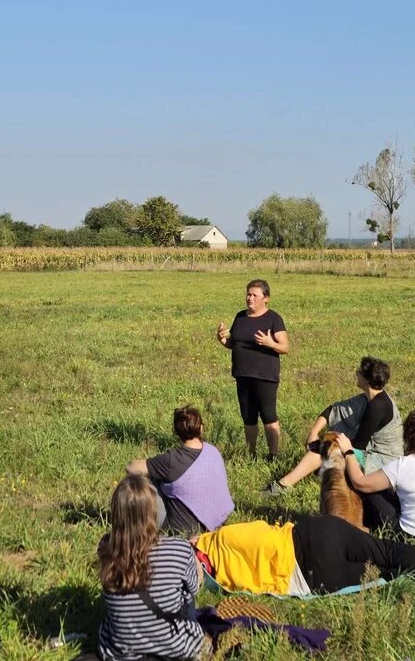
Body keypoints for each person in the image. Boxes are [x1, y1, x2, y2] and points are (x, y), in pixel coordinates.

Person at [195, 513, 415, 596]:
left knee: (384, 574)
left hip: (307, 573)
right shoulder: (214, 538)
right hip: (313, 531)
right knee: (387, 550)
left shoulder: (206, 575)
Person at [96, 474, 204, 661]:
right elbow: (194, 588)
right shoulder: (179, 548)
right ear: (154, 512)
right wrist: (196, 562)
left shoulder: (107, 550)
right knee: (187, 591)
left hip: (120, 653)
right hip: (178, 649)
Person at [264, 356, 402, 495]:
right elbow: (334, 409)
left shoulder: (377, 407)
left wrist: (327, 443)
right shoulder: (368, 398)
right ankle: (288, 482)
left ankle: (283, 485)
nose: (356, 374)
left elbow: (359, 444)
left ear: (366, 379)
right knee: (325, 446)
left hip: (382, 459)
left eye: (359, 372)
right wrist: (314, 432)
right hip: (368, 450)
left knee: (327, 448)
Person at [336, 410, 415, 540]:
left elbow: (360, 482)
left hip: (413, 535)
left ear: (407, 436)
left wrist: (348, 452)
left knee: (372, 491)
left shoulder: (403, 465)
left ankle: (361, 527)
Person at [126, 405, 234, 534]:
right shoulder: (213, 451)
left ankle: (137, 527)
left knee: (144, 480)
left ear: (176, 431)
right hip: (219, 522)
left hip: (184, 531)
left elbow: (131, 468)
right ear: (201, 428)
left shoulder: (171, 460)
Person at [216, 279, 289, 460]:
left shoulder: (274, 319)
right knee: (248, 417)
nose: (250, 298)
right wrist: (222, 339)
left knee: (268, 415)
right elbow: (234, 344)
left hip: (265, 376)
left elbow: (285, 347)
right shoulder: (240, 317)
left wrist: (269, 343)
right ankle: (251, 453)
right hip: (242, 375)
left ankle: (273, 454)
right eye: (248, 294)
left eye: (254, 295)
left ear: (266, 298)